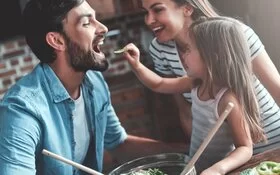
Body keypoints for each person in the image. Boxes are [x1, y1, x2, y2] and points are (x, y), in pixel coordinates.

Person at [0, 0, 186, 174]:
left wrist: (188, 152)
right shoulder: (21, 112)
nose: (103, 28)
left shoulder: (94, 82)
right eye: (86, 23)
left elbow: (119, 143)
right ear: (57, 41)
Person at [122, 17, 266, 174]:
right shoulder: (196, 83)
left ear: (212, 56)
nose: (183, 55)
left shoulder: (227, 99)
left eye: (189, 49)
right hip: (195, 167)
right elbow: (159, 84)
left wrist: (218, 169)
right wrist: (136, 65)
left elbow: (245, 147)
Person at [141, 0, 280, 155]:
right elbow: (186, 112)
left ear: (187, 8)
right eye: (145, 12)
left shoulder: (234, 33)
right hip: (229, 159)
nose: (149, 20)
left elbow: (277, 89)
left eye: (158, 10)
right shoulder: (160, 49)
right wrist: (203, 158)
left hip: (272, 141)